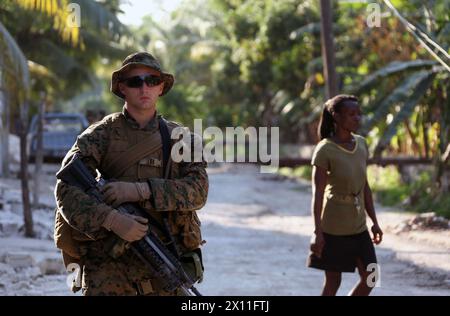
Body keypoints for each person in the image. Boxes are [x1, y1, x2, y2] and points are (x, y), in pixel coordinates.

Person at [54, 52, 208, 296]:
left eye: (152, 80)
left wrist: (142, 190)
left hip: (163, 262)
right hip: (108, 268)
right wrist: (112, 220)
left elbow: (198, 191)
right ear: (122, 88)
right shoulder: (100, 135)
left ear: (161, 87)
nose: (144, 87)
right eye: (135, 81)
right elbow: (65, 189)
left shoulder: (181, 139)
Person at [307, 94, 383, 296]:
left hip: (359, 226)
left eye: (359, 114)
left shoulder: (361, 144)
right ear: (337, 117)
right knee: (333, 282)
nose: (358, 118)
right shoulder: (325, 150)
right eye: (351, 114)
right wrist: (317, 232)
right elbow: (318, 193)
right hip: (334, 226)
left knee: (371, 277)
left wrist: (374, 221)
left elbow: (364, 186)